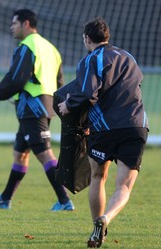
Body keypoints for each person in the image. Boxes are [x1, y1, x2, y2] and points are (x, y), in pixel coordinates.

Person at [58, 17, 148, 248]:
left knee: (99, 177)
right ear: (107, 36)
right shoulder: (129, 57)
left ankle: (97, 229)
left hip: (105, 129)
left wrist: (69, 105)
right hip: (136, 125)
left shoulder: (90, 59)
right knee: (124, 186)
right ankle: (106, 218)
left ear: (87, 38)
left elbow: (89, 93)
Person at [0, 9, 74, 211]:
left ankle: (64, 200)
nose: (11, 27)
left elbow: (16, 80)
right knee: (20, 153)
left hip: (32, 107)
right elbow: (60, 82)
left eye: (14, 23)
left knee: (45, 154)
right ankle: (5, 199)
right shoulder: (51, 48)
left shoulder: (27, 46)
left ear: (26, 24)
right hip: (44, 106)